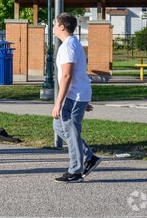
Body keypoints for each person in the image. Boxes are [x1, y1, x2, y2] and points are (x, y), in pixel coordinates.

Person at [52, 12, 101, 183]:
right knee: (59, 127)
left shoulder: (68, 46)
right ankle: (89, 156)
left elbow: (67, 75)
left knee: (70, 131)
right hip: (76, 96)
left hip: (73, 96)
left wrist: (58, 102)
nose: (53, 27)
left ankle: (75, 171)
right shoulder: (70, 44)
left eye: (55, 24)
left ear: (62, 26)